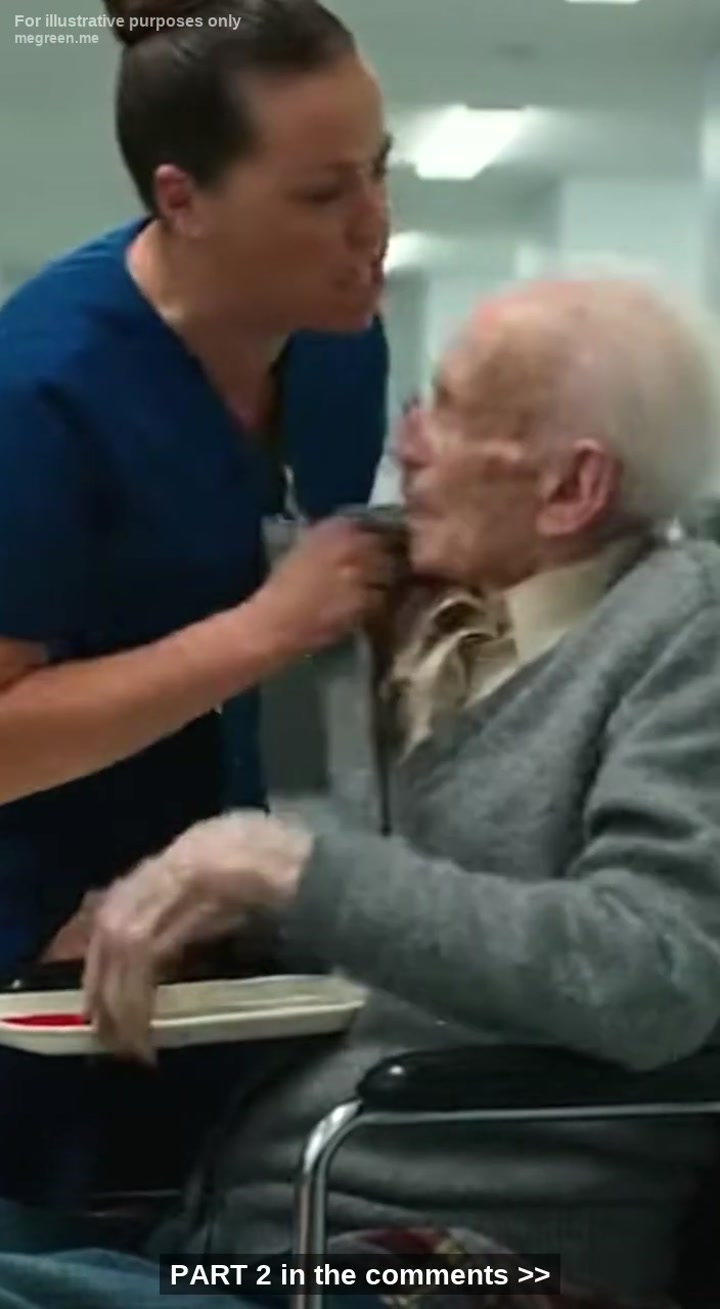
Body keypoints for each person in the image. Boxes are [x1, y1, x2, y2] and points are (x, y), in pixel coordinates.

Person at [4, 271, 720, 1309]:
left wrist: (288, 869)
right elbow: (369, 928)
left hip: (462, 1263)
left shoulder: (685, 639)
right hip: (247, 1235)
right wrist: (201, 916)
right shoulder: (369, 603)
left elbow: (652, 977)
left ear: (574, 487)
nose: (406, 444)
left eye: (453, 412)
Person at [0, 0, 394, 1202]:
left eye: (379, 174)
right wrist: (264, 629)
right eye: (322, 195)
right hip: (43, 947)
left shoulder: (339, 349)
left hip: (231, 928)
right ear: (183, 199)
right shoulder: (39, 393)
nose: (372, 226)